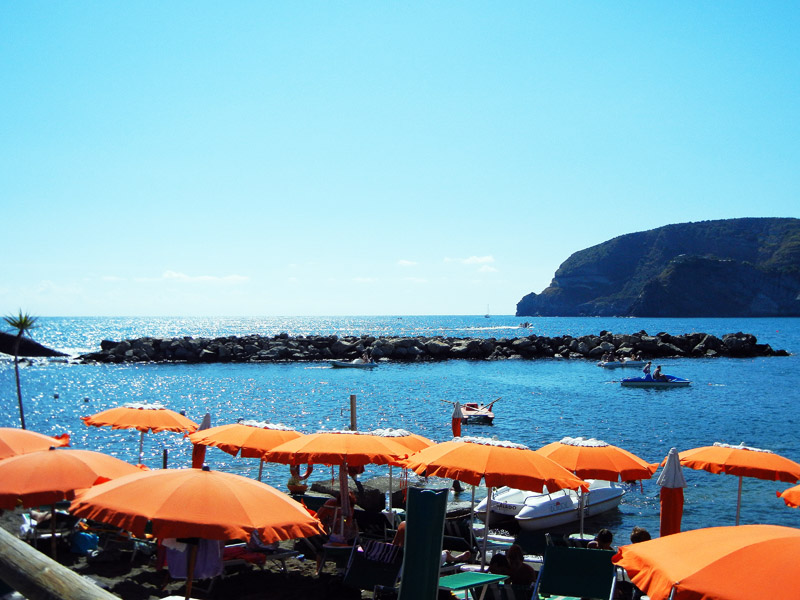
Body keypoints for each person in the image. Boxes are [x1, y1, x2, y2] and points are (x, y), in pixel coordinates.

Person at [392, 521, 470, 565]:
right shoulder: (423, 526)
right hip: (421, 563)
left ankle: (456, 558)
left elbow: (394, 545)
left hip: (402, 560)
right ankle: (457, 558)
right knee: (446, 553)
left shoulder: (403, 524)